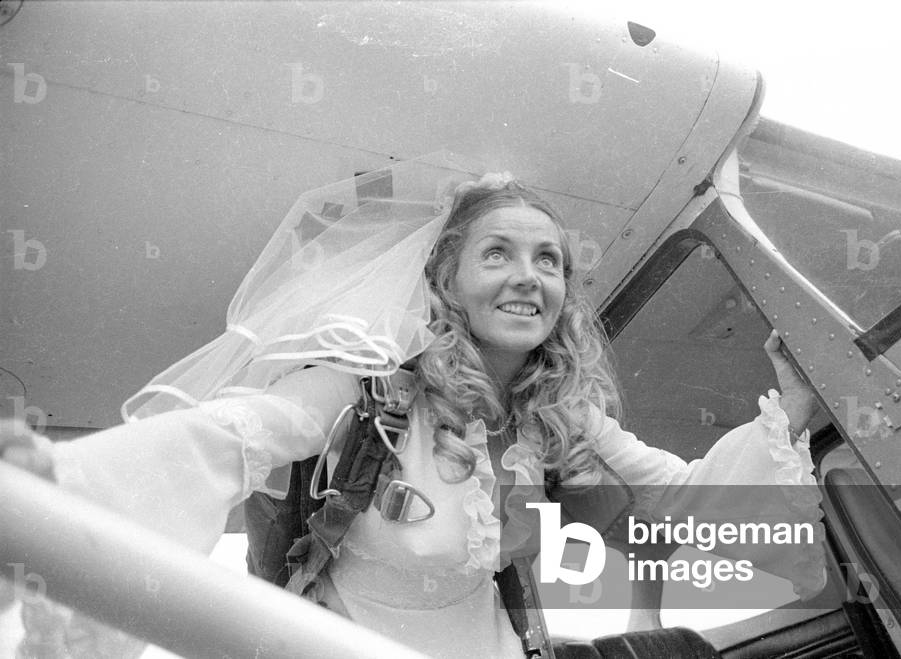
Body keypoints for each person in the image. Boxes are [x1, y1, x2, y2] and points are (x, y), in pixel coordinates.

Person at [1, 156, 825, 658]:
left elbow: (681, 500)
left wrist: (786, 413)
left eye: (549, 260)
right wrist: (48, 488)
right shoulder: (371, 390)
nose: (528, 276)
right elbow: (236, 435)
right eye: (496, 252)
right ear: (445, 282)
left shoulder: (559, 416)